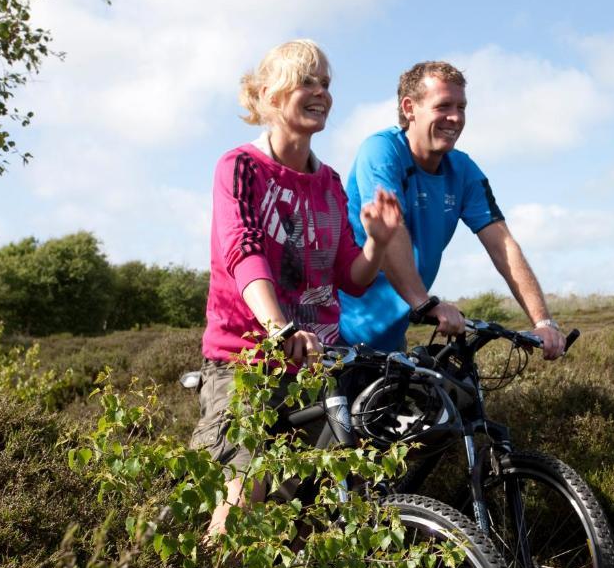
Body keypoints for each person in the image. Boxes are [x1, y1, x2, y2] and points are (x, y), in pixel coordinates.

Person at [191, 39, 402, 538]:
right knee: (242, 505)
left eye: (326, 83)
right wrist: (279, 328)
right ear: (268, 94)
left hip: (316, 367)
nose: (321, 93)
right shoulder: (240, 168)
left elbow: (350, 277)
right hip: (246, 365)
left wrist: (376, 244)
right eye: (307, 81)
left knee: (314, 507)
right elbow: (243, 252)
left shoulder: (329, 183)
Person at [339, 61, 566, 359]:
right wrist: (425, 303)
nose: (455, 117)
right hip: (335, 331)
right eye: (443, 105)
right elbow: (392, 230)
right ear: (409, 108)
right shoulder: (381, 150)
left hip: (390, 337)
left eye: (462, 107)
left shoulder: (463, 169)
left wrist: (542, 321)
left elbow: (503, 245)